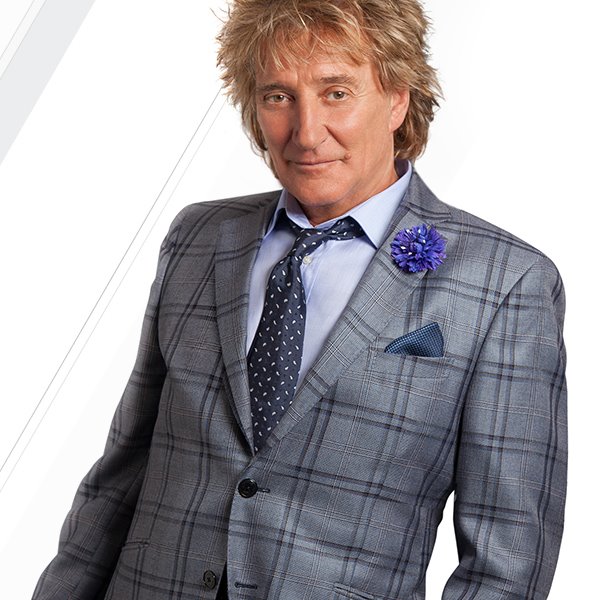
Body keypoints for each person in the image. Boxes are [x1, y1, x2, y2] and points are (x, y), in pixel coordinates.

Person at [32, 1, 567, 598]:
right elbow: (121, 476)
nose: (307, 133)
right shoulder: (198, 238)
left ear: (397, 97)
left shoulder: (505, 283)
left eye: (336, 93)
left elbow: (506, 563)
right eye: (278, 96)